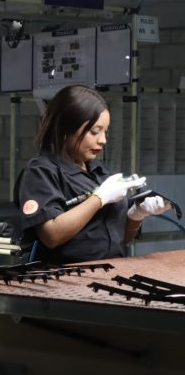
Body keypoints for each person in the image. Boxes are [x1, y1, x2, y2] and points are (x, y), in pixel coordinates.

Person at [14, 84, 170, 264]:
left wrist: (137, 214)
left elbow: (120, 239)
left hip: (112, 271)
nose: (103, 140)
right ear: (66, 127)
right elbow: (52, 236)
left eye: (105, 131)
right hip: (67, 276)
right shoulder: (41, 172)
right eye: (94, 131)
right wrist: (99, 198)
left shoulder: (98, 172)